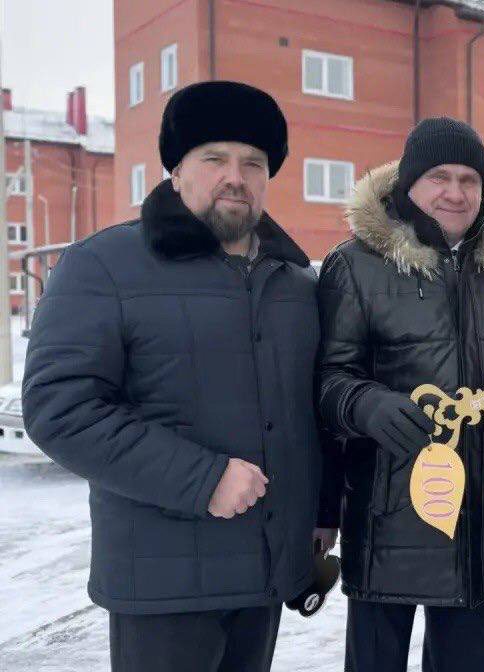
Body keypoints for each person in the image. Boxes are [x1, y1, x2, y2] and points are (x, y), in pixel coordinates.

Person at [22, 81, 320, 672]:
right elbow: (60, 409)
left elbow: (308, 411)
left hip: (265, 576)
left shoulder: (297, 284)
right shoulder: (104, 265)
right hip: (163, 587)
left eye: (253, 163)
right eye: (215, 158)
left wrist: (321, 514)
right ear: (175, 169)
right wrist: (204, 478)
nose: (235, 176)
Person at [316, 117, 484, 672]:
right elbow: (325, 380)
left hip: (477, 522)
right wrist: (365, 405)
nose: (456, 192)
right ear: (410, 181)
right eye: (440, 176)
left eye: (469, 179)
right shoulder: (356, 264)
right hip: (387, 514)